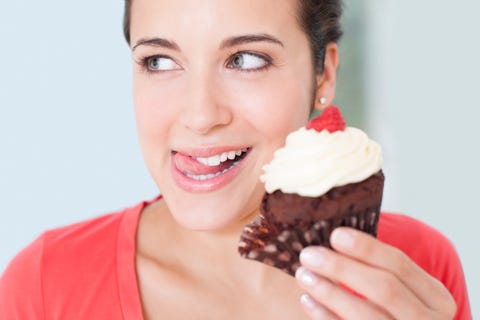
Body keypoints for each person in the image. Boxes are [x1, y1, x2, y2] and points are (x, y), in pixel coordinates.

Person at [0, 0, 471, 319]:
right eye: (159, 62)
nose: (200, 115)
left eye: (246, 59)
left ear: (323, 74)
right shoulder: (45, 285)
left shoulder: (414, 268)